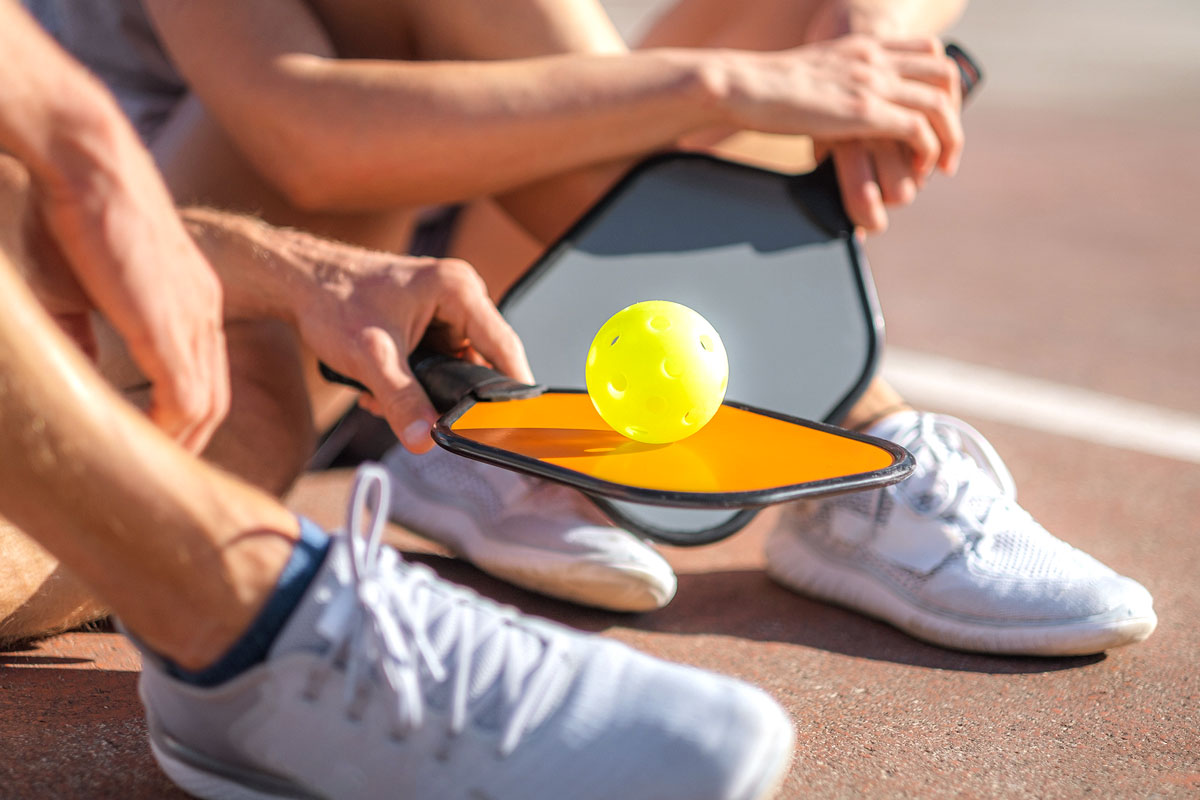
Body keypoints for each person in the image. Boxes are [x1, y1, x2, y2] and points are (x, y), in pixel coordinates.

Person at [29, 0, 1157, 655]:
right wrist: (726, 84)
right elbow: (305, 133)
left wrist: (864, 50)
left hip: (495, 194)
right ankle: (853, 438)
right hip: (209, 238)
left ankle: (503, 437)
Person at [0, 3, 796, 797]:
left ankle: (457, 446)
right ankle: (245, 610)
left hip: (131, 229)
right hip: (204, 176)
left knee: (245, 395)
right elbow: (306, 130)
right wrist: (717, 85)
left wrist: (291, 268)